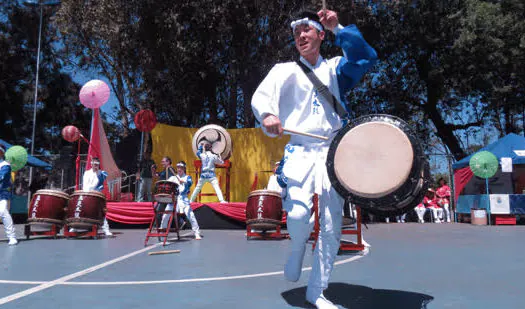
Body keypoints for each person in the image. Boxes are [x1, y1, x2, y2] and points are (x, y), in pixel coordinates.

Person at [251, 9, 377, 308]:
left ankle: (316, 291)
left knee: (331, 225)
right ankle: (296, 247)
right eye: (297, 33)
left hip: (332, 153)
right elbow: (261, 96)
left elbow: (365, 57)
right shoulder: (284, 70)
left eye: (308, 30)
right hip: (299, 151)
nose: (301, 36)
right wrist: (268, 114)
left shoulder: (335, 69)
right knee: (296, 215)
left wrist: (339, 28)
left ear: (321, 35)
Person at [160, 161, 202, 240]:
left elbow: (190, 183)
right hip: (173, 199)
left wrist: (184, 182)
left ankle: (197, 232)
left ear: (184, 169)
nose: (179, 169)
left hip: (183, 200)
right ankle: (163, 231)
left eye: (181, 168)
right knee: (166, 215)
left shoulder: (187, 177)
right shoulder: (173, 178)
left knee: (191, 215)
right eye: (178, 168)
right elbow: (166, 184)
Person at [78, 157, 113, 236]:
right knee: (80, 209)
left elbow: (100, 184)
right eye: (94, 164)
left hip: (97, 196)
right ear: (91, 164)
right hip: (87, 194)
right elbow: (86, 186)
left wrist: (98, 174)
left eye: (97, 164)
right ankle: (75, 225)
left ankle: (106, 229)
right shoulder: (87, 173)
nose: (95, 166)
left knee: (102, 211)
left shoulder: (102, 173)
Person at [0, 146, 18, 245]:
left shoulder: (5, 165)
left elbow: (1, 178)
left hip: (2, 194)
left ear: (2, 153)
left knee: (3, 212)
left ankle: (12, 237)